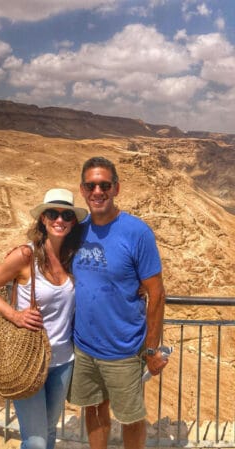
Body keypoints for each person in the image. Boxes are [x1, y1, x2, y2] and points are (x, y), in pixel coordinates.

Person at [68, 156, 168, 449]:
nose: (98, 191)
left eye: (104, 185)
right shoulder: (78, 230)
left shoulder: (137, 233)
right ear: (83, 190)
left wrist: (151, 349)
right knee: (94, 410)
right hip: (85, 347)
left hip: (123, 350)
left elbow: (157, 294)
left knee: (131, 418)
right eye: (91, 185)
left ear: (116, 188)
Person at [0, 187, 87, 449]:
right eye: (53, 213)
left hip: (63, 361)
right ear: (43, 219)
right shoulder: (25, 256)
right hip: (28, 360)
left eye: (66, 215)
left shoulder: (72, 258)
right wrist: (14, 315)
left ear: (73, 222)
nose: (59, 220)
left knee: (49, 431)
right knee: (36, 441)